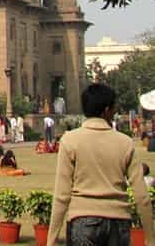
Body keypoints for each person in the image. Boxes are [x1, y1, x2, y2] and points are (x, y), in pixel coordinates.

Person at [47, 83, 153, 246]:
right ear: (106, 110)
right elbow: (141, 196)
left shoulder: (70, 140)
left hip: (82, 220)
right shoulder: (124, 142)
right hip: (118, 221)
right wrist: (150, 238)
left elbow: (62, 195)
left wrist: (52, 239)